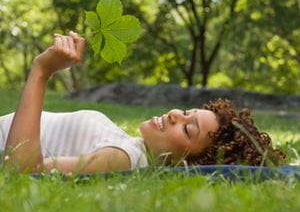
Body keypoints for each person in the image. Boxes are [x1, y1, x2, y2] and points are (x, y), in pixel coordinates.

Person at [0, 32, 286, 174]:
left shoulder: (126, 159)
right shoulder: (131, 146)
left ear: (188, 163)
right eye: (187, 113)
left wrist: (41, 72)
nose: (175, 114)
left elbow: (23, 169)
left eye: (188, 130)